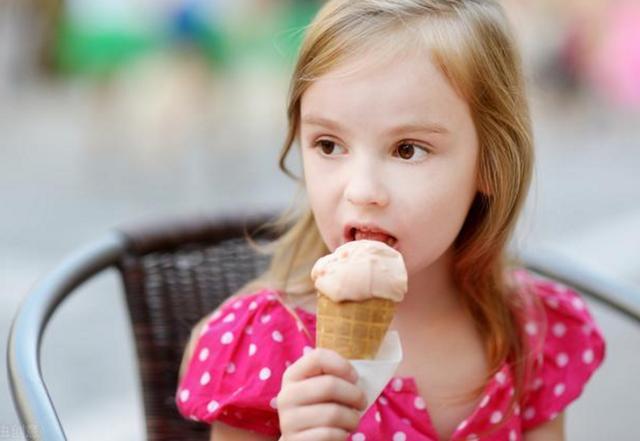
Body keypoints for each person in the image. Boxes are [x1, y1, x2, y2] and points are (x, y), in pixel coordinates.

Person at [175, 1, 606, 440]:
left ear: (490, 165)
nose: (361, 191)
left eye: (407, 149)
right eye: (328, 144)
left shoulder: (530, 332)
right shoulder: (263, 347)